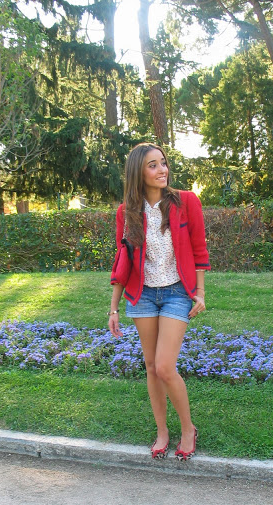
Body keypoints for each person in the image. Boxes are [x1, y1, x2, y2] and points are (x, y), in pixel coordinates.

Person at [108, 142, 210, 461]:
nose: (162, 169)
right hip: (143, 296)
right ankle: (162, 431)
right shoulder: (127, 212)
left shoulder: (186, 201)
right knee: (151, 367)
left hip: (177, 293)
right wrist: (113, 307)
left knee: (165, 366)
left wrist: (200, 291)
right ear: (138, 172)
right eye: (152, 165)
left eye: (163, 163)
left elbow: (199, 249)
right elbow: (122, 260)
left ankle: (188, 428)